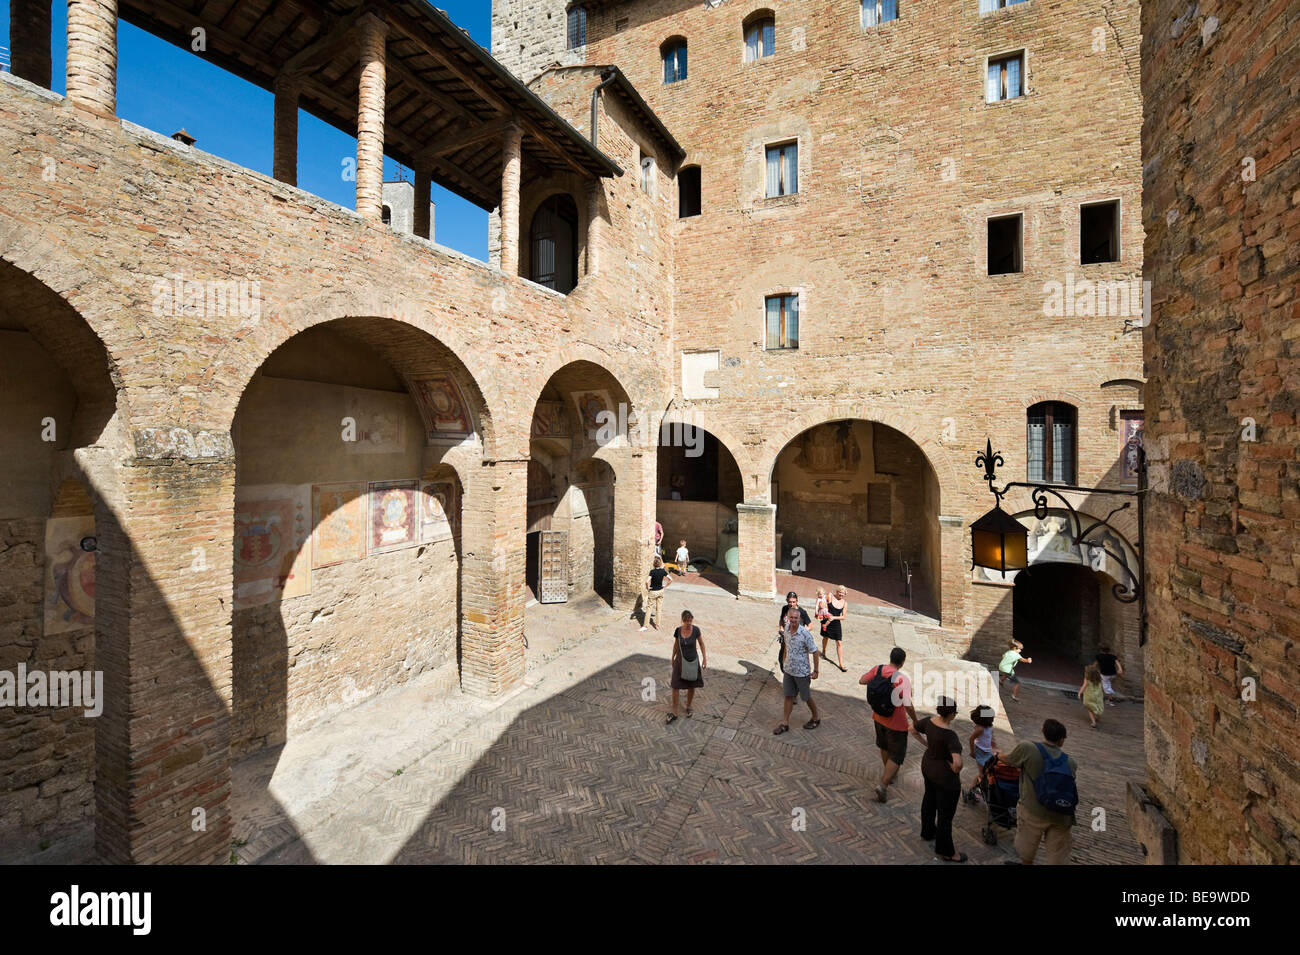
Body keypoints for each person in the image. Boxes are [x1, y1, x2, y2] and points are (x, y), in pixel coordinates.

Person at [1000, 718, 1078, 865]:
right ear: (1061, 741)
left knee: (1027, 848)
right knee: (1057, 856)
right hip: (1061, 814)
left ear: (1043, 732)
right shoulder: (1071, 763)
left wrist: (998, 754)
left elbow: (1009, 760)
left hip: (1033, 810)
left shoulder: (1028, 748)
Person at [911, 696, 966, 862]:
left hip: (928, 767)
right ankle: (947, 851)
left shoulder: (929, 721)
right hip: (945, 779)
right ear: (951, 714)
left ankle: (927, 832)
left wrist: (927, 745)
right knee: (945, 815)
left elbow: (911, 729)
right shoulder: (950, 736)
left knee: (929, 800)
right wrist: (955, 767)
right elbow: (957, 763)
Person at [861, 647, 917, 802]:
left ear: (891, 657)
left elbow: (862, 680)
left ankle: (888, 774)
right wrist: (915, 720)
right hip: (896, 723)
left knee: (884, 747)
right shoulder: (901, 679)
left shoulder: (878, 669)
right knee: (897, 755)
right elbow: (908, 704)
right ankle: (883, 785)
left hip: (878, 717)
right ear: (902, 662)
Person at [774, 611, 821, 734]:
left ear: (799, 619)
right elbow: (786, 647)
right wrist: (784, 661)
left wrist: (816, 671)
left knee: (806, 697)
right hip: (789, 670)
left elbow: (815, 651)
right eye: (791, 617)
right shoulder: (787, 629)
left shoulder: (805, 634)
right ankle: (785, 723)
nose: (793, 620)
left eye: (796, 618)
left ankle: (816, 718)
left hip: (802, 672)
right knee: (788, 696)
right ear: (788, 618)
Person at [666, 610, 706, 724]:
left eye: (690, 620)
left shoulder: (696, 630)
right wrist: (672, 657)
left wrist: (704, 659)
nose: (688, 623)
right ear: (682, 620)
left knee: (691, 685)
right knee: (675, 685)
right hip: (680, 661)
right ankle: (674, 712)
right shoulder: (678, 631)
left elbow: (702, 644)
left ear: (692, 620)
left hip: (692, 661)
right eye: (686, 621)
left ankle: (688, 706)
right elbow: (675, 645)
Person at [964, 704, 998, 803]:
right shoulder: (980, 729)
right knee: (982, 774)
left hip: (987, 752)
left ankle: (975, 790)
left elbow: (991, 737)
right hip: (980, 752)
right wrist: (972, 752)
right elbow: (971, 739)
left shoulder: (990, 727)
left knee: (987, 772)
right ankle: (972, 791)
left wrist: (994, 747)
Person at [776, 591, 811, 672]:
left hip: (796, 642)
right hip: (785, 639)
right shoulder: (785, 608)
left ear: (797, 601)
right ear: (787, 601)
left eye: (793, 602)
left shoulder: (802, 612)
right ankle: (786, 678)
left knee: (794, 662)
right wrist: (781, 628)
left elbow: (810, 626)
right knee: (782, 660)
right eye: (789, 602)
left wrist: (801, 633)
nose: (791, 604)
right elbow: (781, 620)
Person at [821, 585, 848, 673]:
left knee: (839, 642)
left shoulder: (845, 603)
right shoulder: (830, 596)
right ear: (837, 591)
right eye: (840, 592)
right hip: (827, 621)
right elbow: (821, 601)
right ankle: (824, 651)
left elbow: (843, 617)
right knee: (825, 637)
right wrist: (823, 611)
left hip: (836, 623)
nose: (841, 594)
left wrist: (834, 618)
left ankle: (841, 663)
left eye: (843, 593)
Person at [641, 555, 670, 632]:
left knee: (649, 608)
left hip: (653, 591)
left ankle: (645, 625)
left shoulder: (652, 571)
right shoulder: (663, 571)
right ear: (660, 564)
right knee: (659, 609)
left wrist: (648, 588)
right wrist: (665, 586)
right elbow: (671, 579)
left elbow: (646, 582)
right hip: (660, 591)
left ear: (653, 564)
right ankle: (657, 625)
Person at [1079, 663, 1105, 729]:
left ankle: (1094, 722)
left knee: (1089, 708)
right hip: (1098, 695)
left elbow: (1083, 687)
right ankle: (1097, 716)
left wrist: (1080, 693)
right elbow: (1101, 687)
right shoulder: (1099, 679)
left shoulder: (1087, 679)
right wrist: (1102, 693)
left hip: (1090, 696)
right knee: (1097, 705)